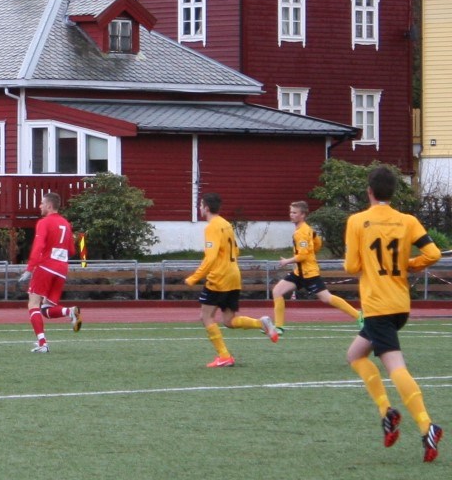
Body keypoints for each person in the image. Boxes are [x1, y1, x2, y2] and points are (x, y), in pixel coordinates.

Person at [344, 166, 442, 462]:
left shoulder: (358, 221)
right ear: (392, 193)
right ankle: (387, 412)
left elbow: (351, 267)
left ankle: (427, 425)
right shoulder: (407, 221)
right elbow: (434, 254)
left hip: (377, 304)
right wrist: (410, 264)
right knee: (355, 355)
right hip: (400, 304)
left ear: (369, 191)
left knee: (395, 366)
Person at [184, 193, 278, 368]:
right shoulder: (226, 224)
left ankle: (224, 356)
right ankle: (261, 323)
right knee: (228, 320)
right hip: (234, 275)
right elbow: (236, 251)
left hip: (219, 277)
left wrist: (194, 277)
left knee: (206, 317)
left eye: (201, 205)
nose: (199, 208)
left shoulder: (212, 227)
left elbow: (210, 257)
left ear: (205, 207)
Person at [271, 201, 360, 332]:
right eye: (291, 212)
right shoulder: (308, 229)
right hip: (299, 272)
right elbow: (318, 242)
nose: (291, 215)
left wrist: (286, 261)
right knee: (277, 291)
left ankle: (359, 316)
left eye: (294, 213)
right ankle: (279, 327)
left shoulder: (301, 232)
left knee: (326, 298)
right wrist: (311, 251)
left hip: (309, 273)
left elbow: (303, 256)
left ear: (302, 215)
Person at [18, 192, 82, 353]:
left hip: (45, 267)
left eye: (41, 203)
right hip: (61, 270)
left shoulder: (44, 222)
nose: (39, 206)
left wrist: (30, 268)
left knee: (33, 304)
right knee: (46, 310)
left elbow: (38, 246)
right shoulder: (66, 224)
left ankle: (42, 343)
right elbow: (72, 250)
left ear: (49, 206)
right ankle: (70, 311)